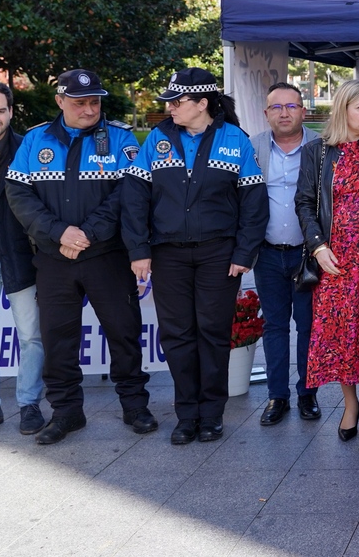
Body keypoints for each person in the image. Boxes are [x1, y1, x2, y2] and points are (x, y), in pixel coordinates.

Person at [6, 69, 156, 444]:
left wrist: (87, 233)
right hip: (54, 260)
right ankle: (67, 412)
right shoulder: (35, 139)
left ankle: (135, 406)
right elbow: (19, 195)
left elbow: (128, 195)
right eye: (79, 103)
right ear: (60, 101)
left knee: (123, 334)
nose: (89, 110)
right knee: (58, 340)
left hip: (106, 256)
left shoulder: (121, 139)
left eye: (94, 102)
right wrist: (60, 233)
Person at [122, 68, 269, 445]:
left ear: (202, 103)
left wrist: (244, 252)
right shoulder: (157, 139)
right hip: (167, 254)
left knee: (213, 333)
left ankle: (211, 415)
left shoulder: (235, 139)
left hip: (219, 255)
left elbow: (253, 203)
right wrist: (139, 250)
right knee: (176, 335)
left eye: (177, 102)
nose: (169, 108)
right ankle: (186, 414)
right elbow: (135, 199)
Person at [295, 79, 359, 443]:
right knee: (342, 334)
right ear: (344, 109)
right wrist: (318, 247)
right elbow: (305, 203)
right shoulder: (318, 151)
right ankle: (349, 403)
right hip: (336, 258)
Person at [250, 82, 321, 425]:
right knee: (275, 326)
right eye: (276, 107)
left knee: (308, 326)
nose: (284, 113)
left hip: (308, 254)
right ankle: (277, 397)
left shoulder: (321, 148)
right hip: (266, 253)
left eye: (291, 106)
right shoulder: (253, 148)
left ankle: (308, 394)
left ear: (303, 111)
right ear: (266, 114)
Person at [0, 80, 44, 435]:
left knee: (30, 335)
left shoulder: (26, 150)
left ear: (11, 112)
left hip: (17, 256)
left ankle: (28, 404)